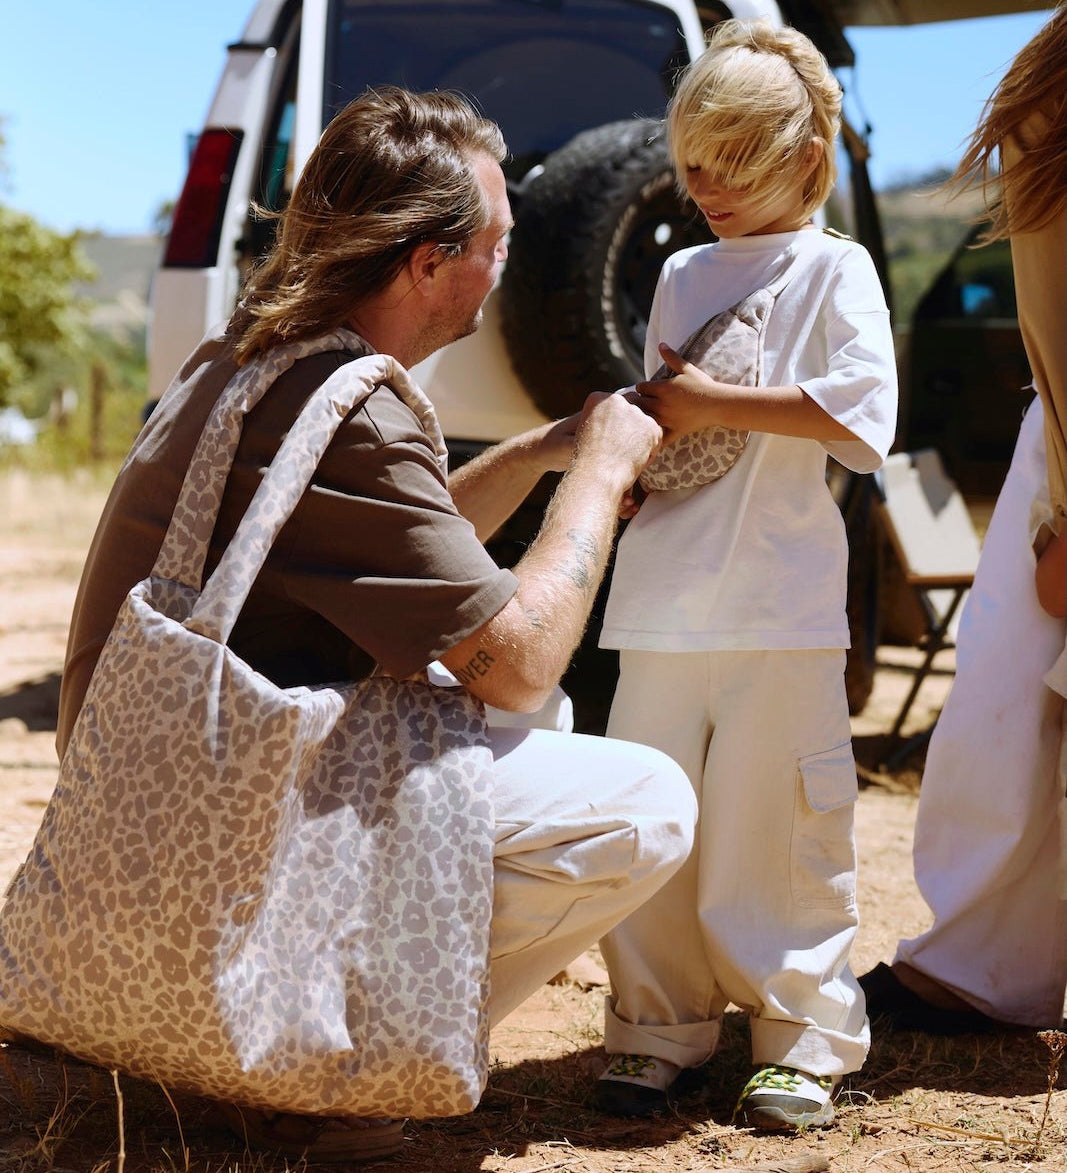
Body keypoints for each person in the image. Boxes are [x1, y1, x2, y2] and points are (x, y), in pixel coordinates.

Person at [57, 87, 697, 1161]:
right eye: (499, 238)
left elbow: (420, 540)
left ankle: (278, 1027)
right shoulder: (349, 407)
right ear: (427, 263)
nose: (508, 259)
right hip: (207, 809)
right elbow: (518, 660)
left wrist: (542, 448)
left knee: (543, 740)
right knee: (641, 805)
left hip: (148, 774)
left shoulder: (252, 357)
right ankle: (325, 1066)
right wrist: (598, 474)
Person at [592, 19, 897, 1130]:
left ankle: (801, 1034)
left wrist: (700, 401)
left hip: (779, 605)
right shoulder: (679, 272)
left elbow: (860, 416)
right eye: (691, 159)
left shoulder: (834, 267)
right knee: (654, 821)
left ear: (802, 156)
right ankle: (653, 1026)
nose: (702, 183)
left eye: (732, 159)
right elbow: (671, 427)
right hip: (661, 598)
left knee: (778, 827)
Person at [859, 4, 1067, 1035]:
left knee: (1002, 704)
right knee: (996, 707)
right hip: (1053, 421)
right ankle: (980, 966)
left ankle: (979, 967)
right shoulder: (1050, 82)